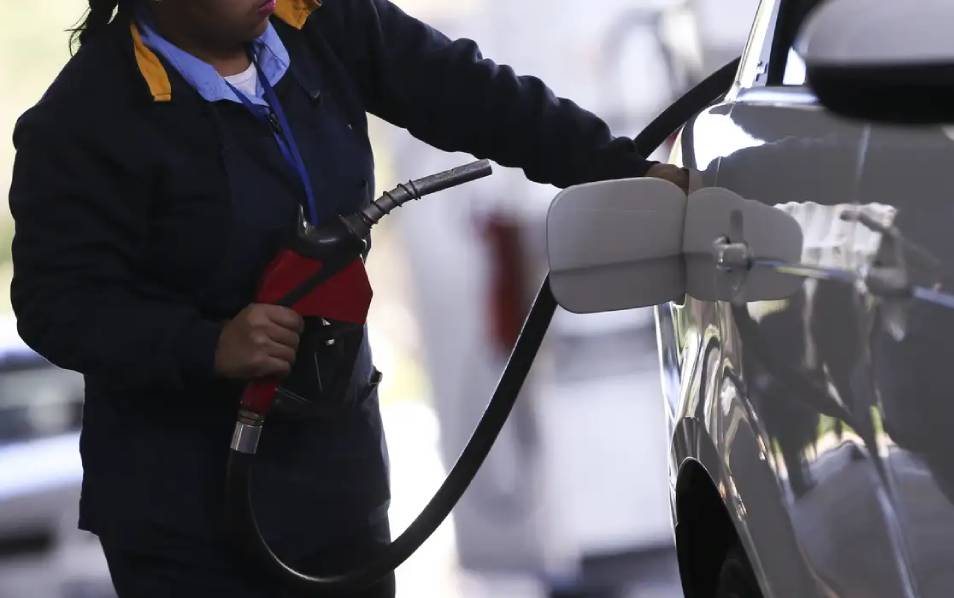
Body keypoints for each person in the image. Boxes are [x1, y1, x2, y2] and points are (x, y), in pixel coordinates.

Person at [7, 1, 688, 596]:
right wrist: (206, 345)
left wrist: (621, 169)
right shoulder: (83, 121)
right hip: (187, 520)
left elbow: (470, 92)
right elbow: (54, 302)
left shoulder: (318, 21)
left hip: (336, 481)